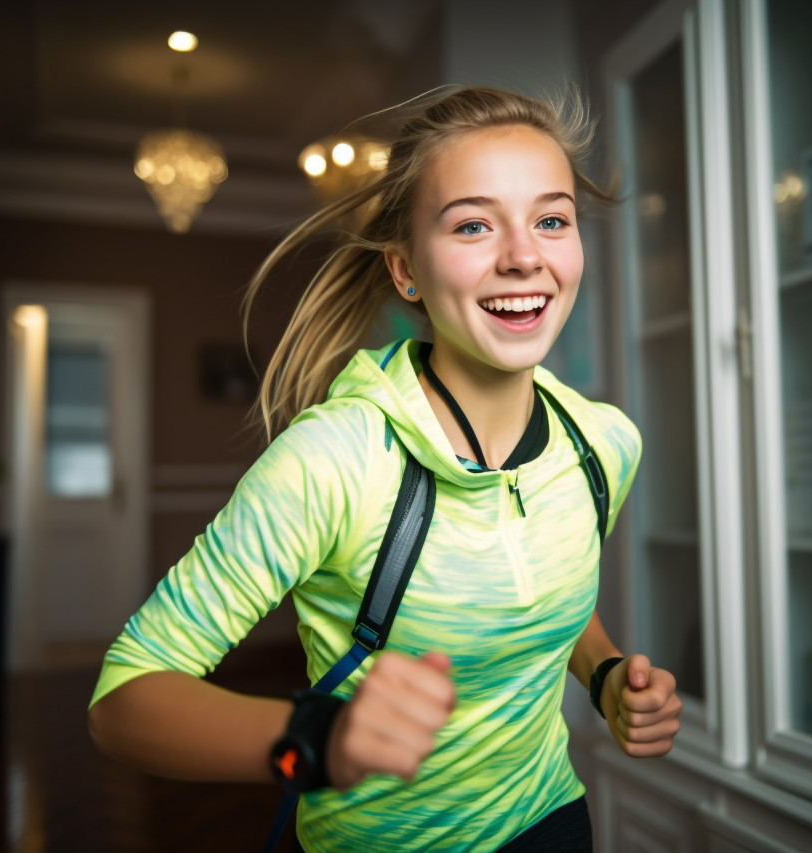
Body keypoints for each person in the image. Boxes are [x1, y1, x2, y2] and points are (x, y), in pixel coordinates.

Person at [87, 85, 682, 852]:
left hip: (554, 826)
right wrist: (318, 739)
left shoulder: (603, 445)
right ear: (405, 272)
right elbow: (122, 700)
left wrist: (604, 677)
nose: (524, 255)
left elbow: (536, 586)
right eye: (473, 223)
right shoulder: (331, 460)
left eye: (551, 219)